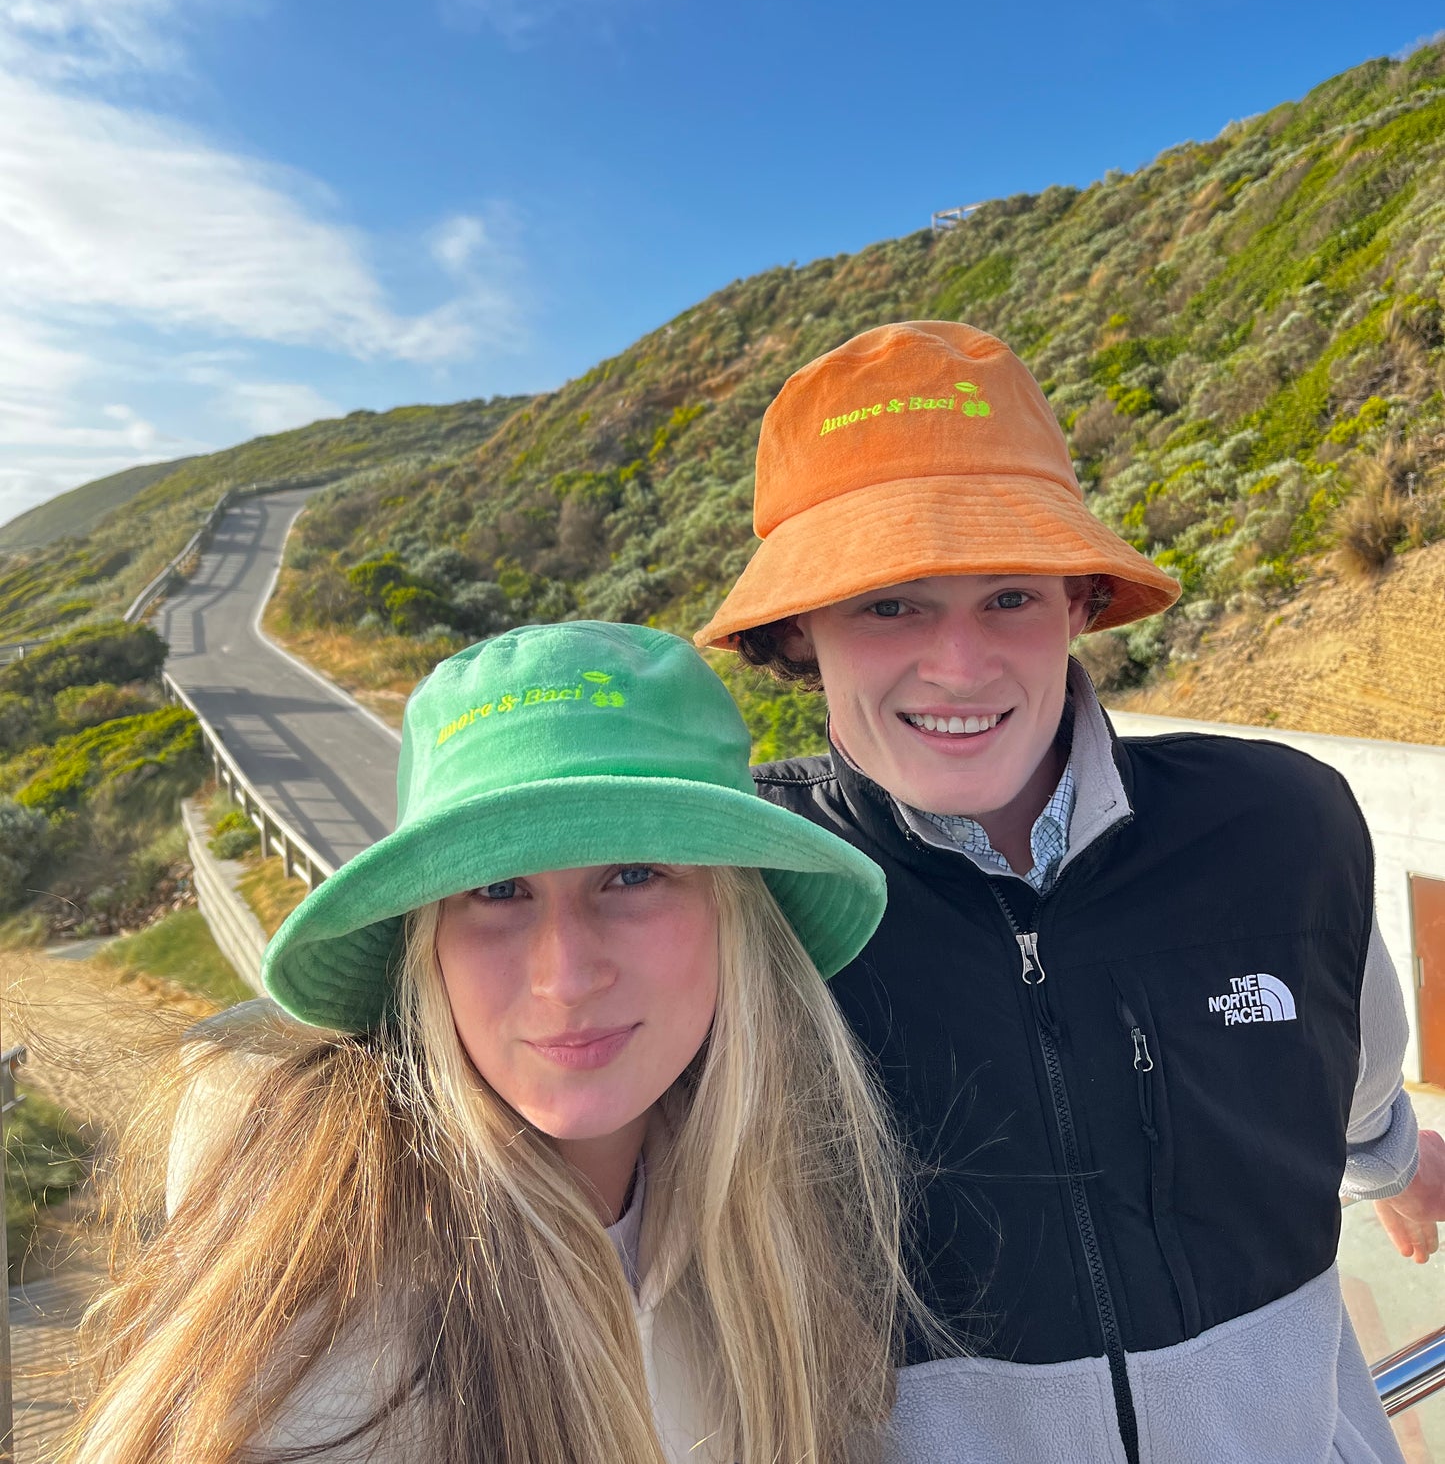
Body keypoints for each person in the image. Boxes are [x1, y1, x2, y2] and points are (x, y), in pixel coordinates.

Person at [698, 318, 1445, 1464]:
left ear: (1078, 600)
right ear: (799, 632)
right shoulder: (738, 893)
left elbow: (1350, 1086)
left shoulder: (1281, 829)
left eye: (1006, 594)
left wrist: (1394, 1167)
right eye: (888, 602)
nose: (957, 664)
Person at [62, 620, 925, 1464]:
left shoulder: (764, 1238)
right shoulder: (328, 1308)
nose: (564, 974)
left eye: (632, 874)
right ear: (425, 944)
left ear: (732, 916)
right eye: (497, 888)